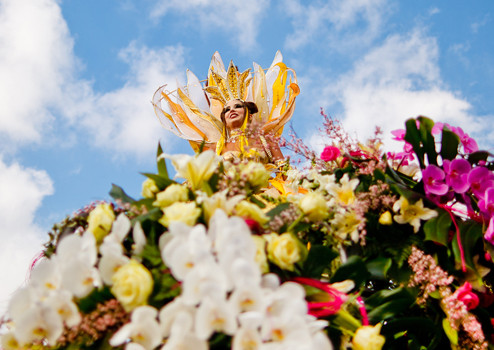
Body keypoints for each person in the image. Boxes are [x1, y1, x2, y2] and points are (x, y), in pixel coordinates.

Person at [207, 99, 284, 165]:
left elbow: (284, 172)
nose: (232, 110)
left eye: (237, 106)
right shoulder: (216, 149)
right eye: (227, 110)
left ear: (250, 116)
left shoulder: (266, 140)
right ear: (225, 122)